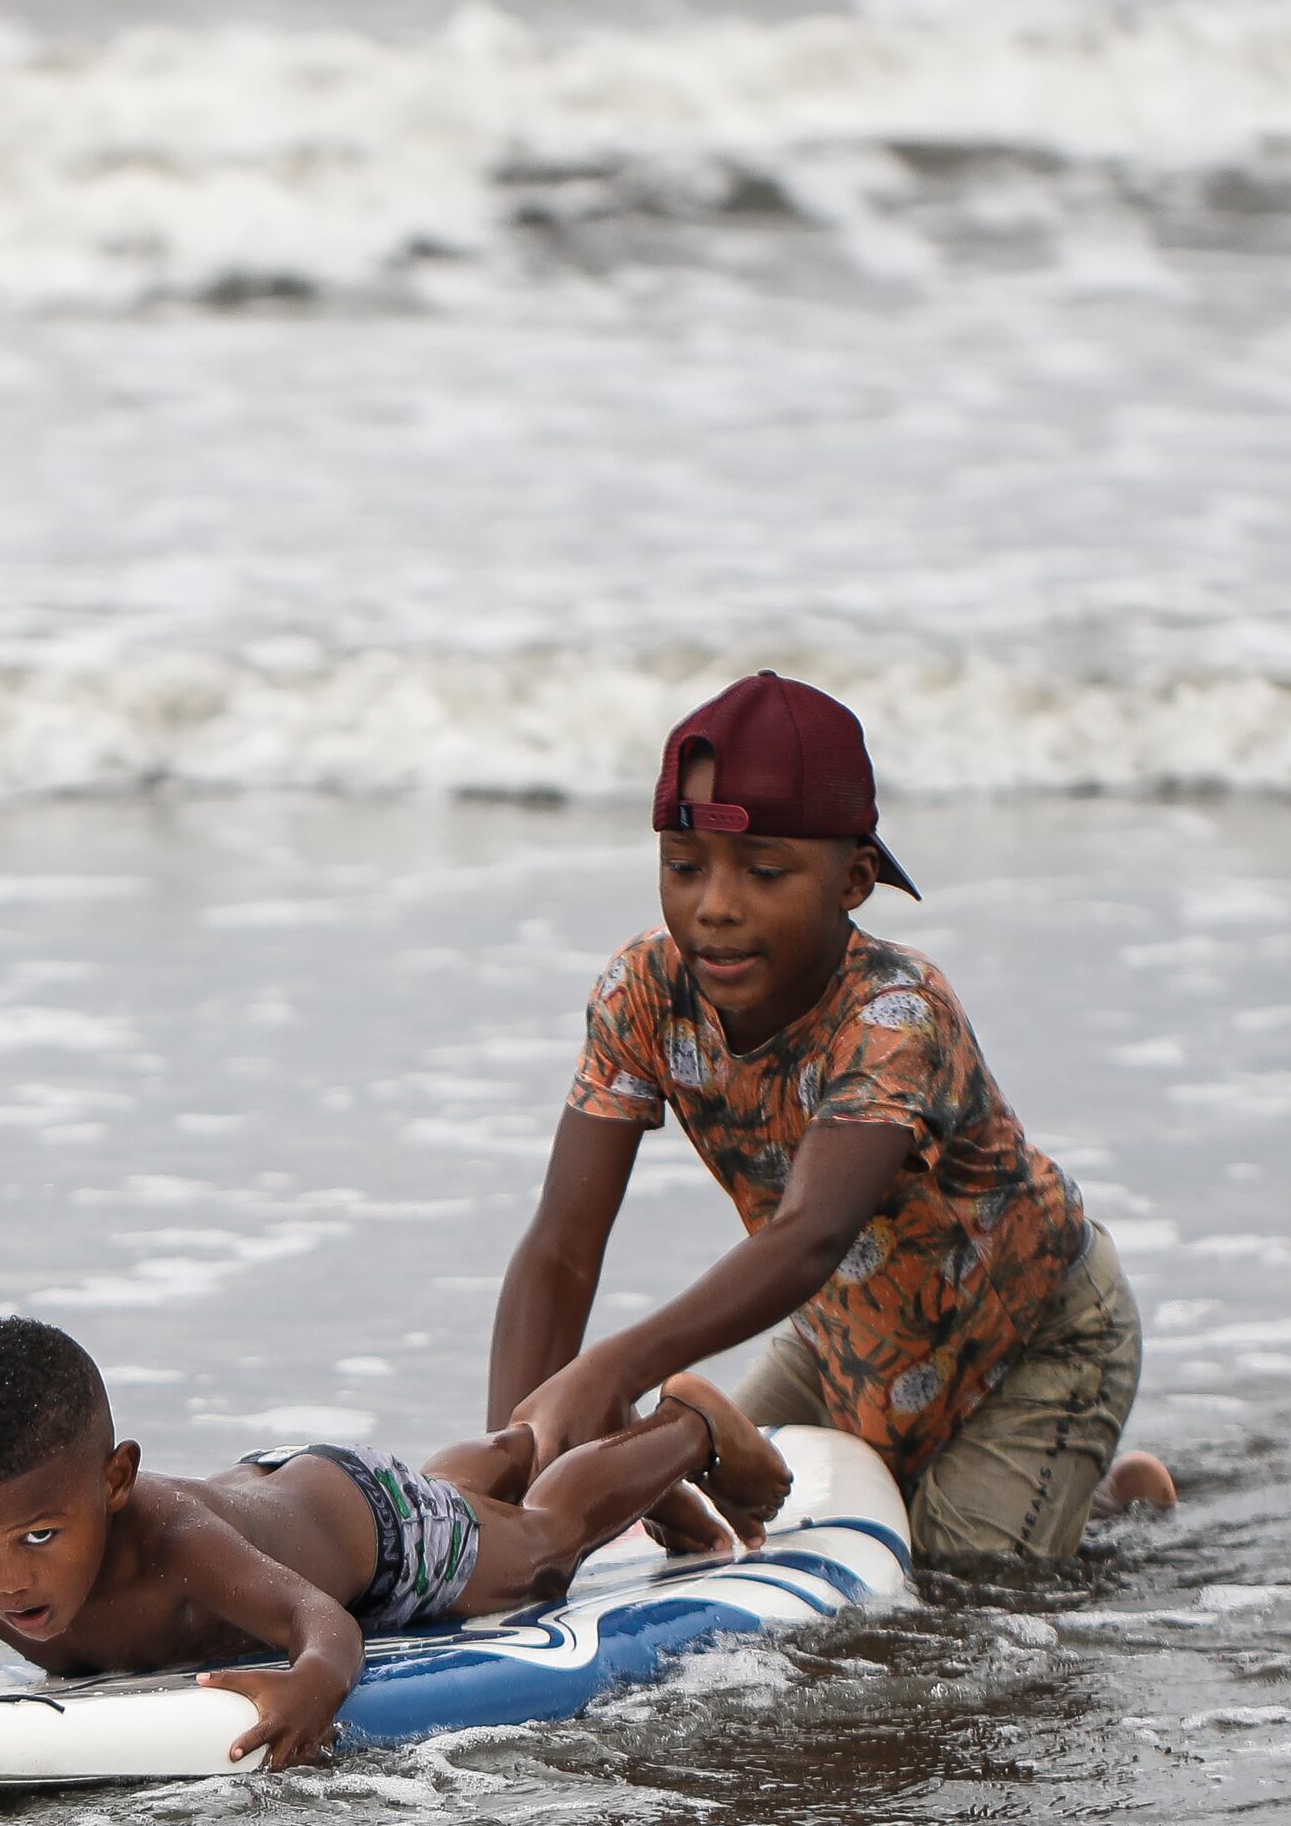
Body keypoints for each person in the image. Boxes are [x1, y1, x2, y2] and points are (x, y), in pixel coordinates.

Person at [487, 671, 1173, 1565]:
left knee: (958, 1586)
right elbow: (561, 1248)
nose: (715, 905)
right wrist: (507, 1469)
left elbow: (810, 1232)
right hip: (843, 1336)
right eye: (683, 867)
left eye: (764, 870)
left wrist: (617, 1367)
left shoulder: (896, 1012)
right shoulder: (643, 994)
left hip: (1034, 1344)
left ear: (854, 880)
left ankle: (1119, 1502)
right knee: (747, 1534)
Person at [0, 1315, 790, 1768]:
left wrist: (308, 1693)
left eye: (40, 1533)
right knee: (459, 1494)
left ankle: (687, 1425)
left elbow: (320, 1626)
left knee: (538, 1553)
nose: (8, 1577)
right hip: (297, 1493)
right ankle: (534, 1436)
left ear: (114, 1481)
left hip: (371, 1536)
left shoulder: (170, 1540)